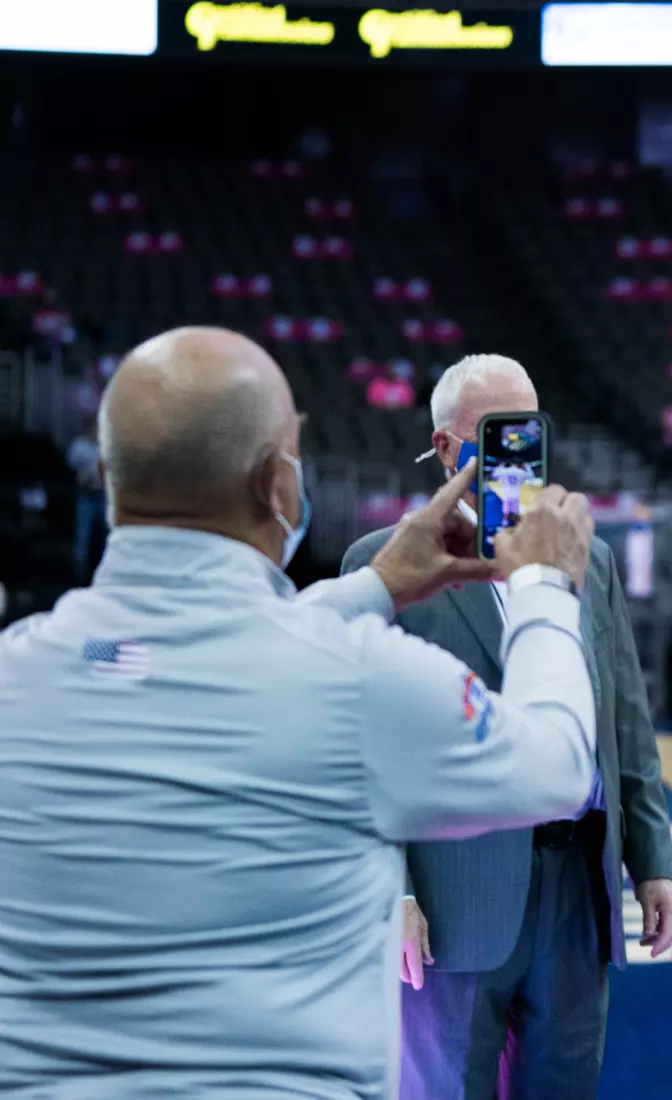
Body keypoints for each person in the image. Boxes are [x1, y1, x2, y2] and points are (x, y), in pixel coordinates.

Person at [0, 327, 601, 1099]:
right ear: (273, 487)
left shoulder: (18, 671)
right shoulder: (359, 680)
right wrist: (544, 586)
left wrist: (376, 585)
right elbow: (554, 767)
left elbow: (204, 647)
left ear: (113, 478)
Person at [343, 353, 672, 1100]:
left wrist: (652, 860)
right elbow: (359, 751)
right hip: (454, 893)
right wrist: (388, 891)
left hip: (575, 886)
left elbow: (623, 718)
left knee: (565, 1085)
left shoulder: (588, 560)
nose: (520, 451)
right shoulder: (382, 566)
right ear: (449, 449)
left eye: (531, 429)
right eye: (499, 433)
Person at [65, 416, 106, 581]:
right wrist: (80, 479)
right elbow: (69, 471)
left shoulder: (105, 447)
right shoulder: (78, 447)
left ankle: (104, 572)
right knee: (82, 536)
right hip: (85, 496)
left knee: (106, 535)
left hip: (103, 496)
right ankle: (78, 573)